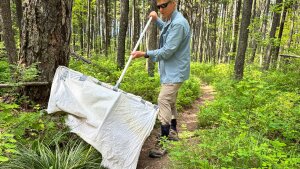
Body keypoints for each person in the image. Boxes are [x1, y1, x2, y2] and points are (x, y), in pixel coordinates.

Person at [131, 0, 191, 158]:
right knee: (170, 102)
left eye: (164, 5)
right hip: (171, 71)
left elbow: (167, 51)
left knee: (163, 100)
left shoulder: (178, 24)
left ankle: (163, 142)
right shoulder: (172, 20)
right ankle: (172, 131)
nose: (161, 9)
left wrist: (145, 54)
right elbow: (166, 29)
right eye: (158, 6)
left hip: (175, 71)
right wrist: (157, 19)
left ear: (174, 3)